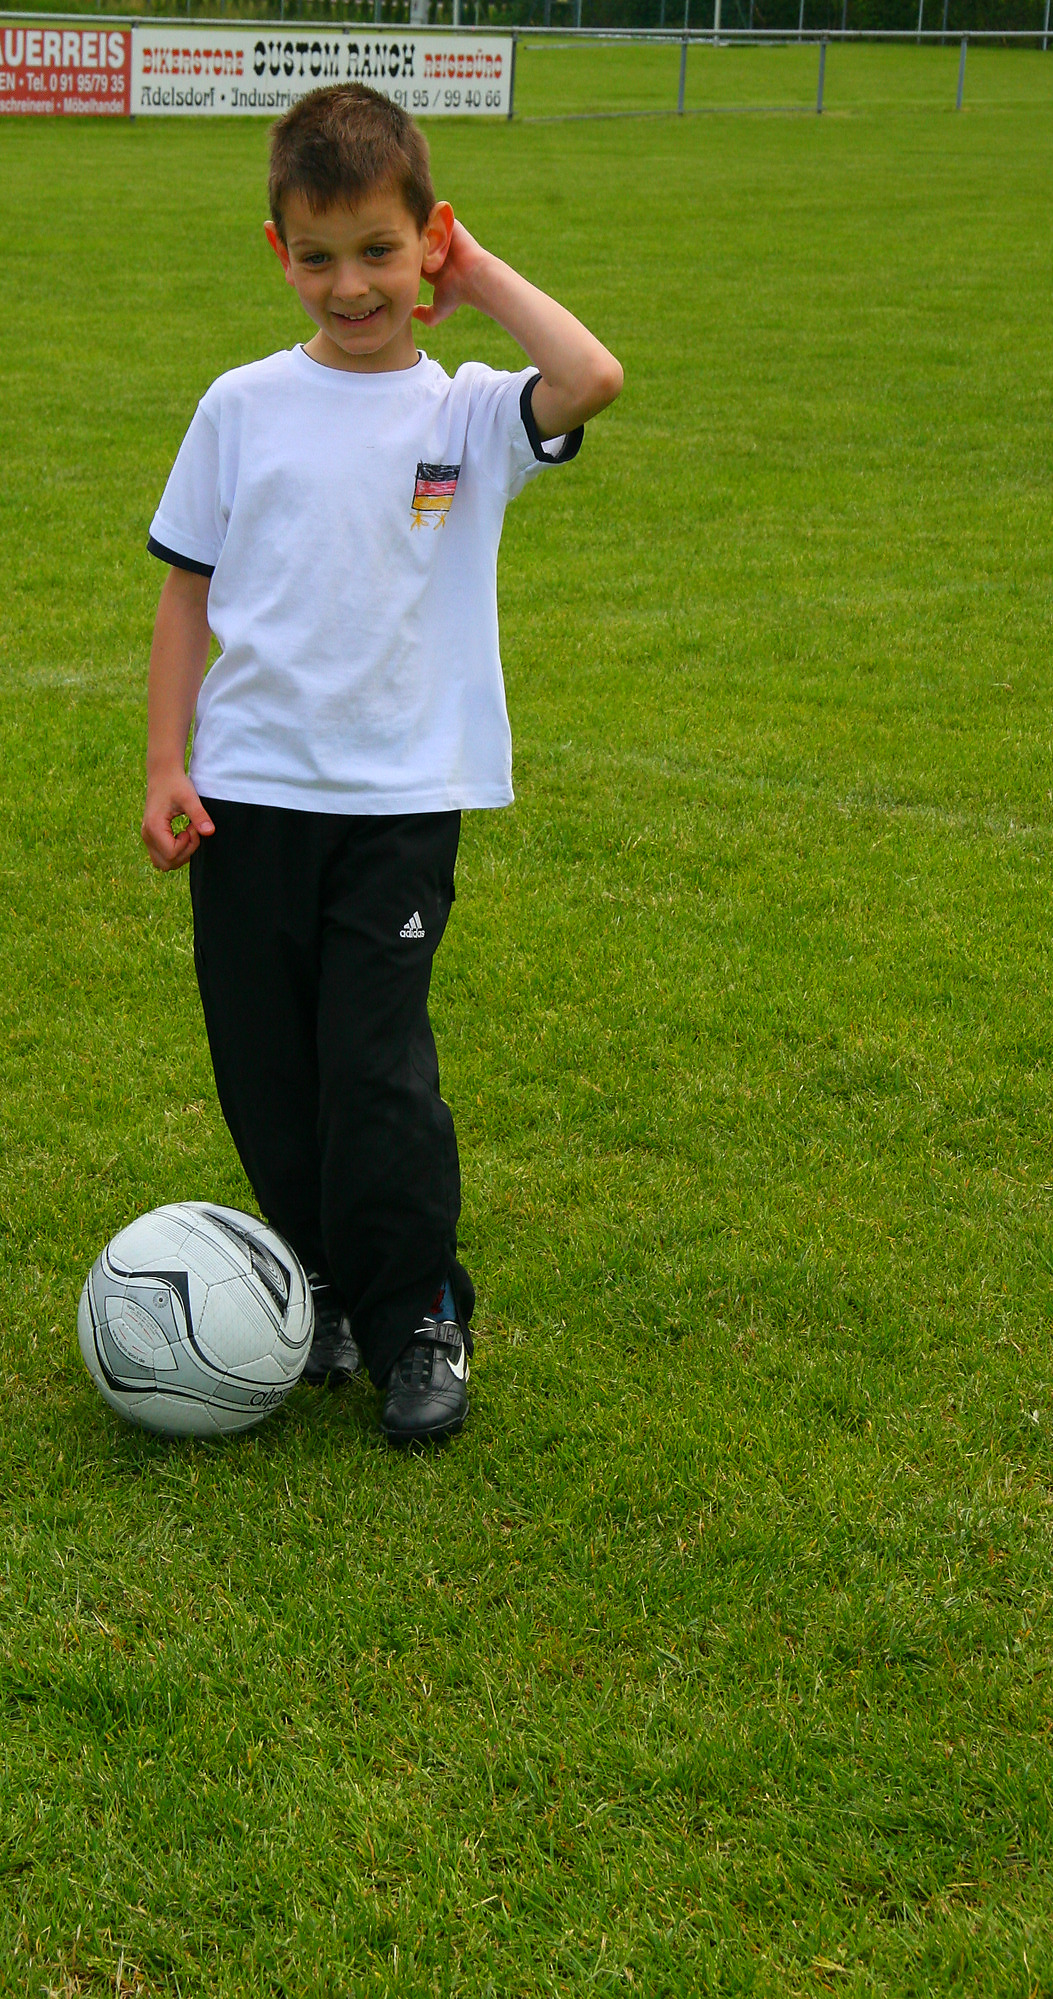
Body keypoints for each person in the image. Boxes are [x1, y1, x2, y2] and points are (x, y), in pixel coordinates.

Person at [141, 83, 621, 1446]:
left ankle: (419, 1317)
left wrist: (479, 278)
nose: (349, 286)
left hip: (400, 804)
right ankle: (322, 1291)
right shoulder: (241, 405)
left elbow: (590, 378)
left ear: (428, 244)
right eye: (317, 256)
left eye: (379, 251)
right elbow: (187, 589)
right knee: (269, 1073)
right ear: (277, 253)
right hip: (247, 797)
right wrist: (168, 761)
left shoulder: (467, 414)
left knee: (375, 1068)